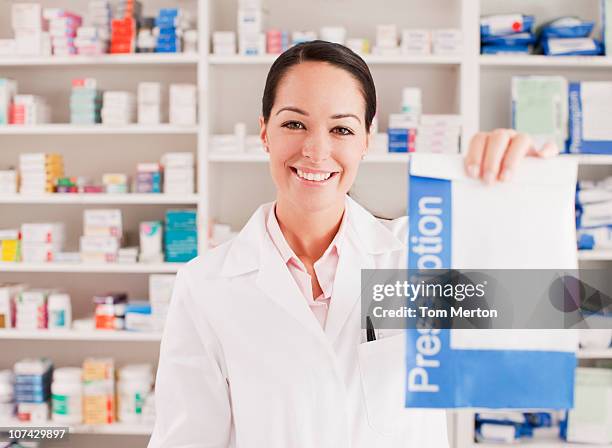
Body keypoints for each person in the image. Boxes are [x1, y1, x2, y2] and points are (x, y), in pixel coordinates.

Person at [148, 41, 557, 448]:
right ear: (264, 132)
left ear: (366, 140)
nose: (316, 150)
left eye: (341, 129)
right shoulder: (206, 286)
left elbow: (550, 308)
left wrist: (519, 194)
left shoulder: (421, 256)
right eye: (294, 124)